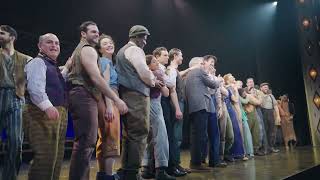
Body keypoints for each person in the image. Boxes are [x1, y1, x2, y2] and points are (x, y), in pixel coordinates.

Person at [68, 21, 127, 180]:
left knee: (88, 141)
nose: (97, 34)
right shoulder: (89, 51)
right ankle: (104, 175)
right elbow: (98, 79)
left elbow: (66, 68)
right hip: (86, 94)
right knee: (88, 141)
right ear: (83, 33)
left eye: (98, 32)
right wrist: (114, 101)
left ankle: (98, 175)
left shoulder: (81, 50)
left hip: (87, 94)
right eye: (93, 32)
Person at [24, 33, 67, 180]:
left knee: (56, 157)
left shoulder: (52, 66)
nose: (54, 45)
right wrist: (47, 107)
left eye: (57, 43)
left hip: (57, 112)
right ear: (40, 46)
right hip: (40, 113)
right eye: (49, 42)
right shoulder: (37, 62)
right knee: (45, 157)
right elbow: (35, 88)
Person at [115, 25, 156, 180]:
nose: (145, 41)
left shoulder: (122, 51)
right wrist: (153, 81)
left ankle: (126, 170)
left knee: (130, 135)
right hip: (136, 96)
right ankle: (133, 173)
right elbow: (144, 72)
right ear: (138, 37)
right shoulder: (135, 50)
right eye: (144, 38)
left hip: (127, 95)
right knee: (139, 133)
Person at [0, 25, 32, 180]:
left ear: (12, 37)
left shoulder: (25, 58)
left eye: (2, 33)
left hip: (16, 99)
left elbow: (42, 68)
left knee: (16, 143)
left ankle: (9, 177)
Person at [185, 55, 222, 171]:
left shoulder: (189, 75)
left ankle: (196, 162)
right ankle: (196, 163)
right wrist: (219, 80)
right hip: (201, 106)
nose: (203, 65)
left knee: (197, 135)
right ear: (196, 64)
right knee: (199, 136)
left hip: (193, 107)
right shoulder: (199, 71)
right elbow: (214, 84)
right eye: (202, 63)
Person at [142, 54, 175, 180]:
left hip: (146, 104)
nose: (157, 64)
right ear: (149, 65)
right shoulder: (158, 73)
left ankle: (146, 168)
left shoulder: (145, 74)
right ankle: (160, 170)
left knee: (148, 137)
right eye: (154, 61)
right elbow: (167, 92)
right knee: (161, 137)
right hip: (154, 104)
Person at [95, 34, 121, 180]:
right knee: (111, 136)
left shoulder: (109, 62)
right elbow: (105, 85)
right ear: (99, 48)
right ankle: (109, 175)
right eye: (105, 43)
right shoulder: (104, 61)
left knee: (104, 137)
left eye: (110, 42)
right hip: (108, 99)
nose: (109, 45)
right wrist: (110, 106)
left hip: (106, 100)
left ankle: (103, 173)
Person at [260, 83, 280, 153]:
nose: (266, 88)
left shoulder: (271, 96)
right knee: (264, 131)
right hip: (263, 113)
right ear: (261, 88)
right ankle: (265, 148)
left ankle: (271, 147)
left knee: (272, 131)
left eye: (267, 87)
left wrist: (278, 116)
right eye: (264, 87)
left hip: (271, 113)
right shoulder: (259, 95)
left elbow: (275, 106)